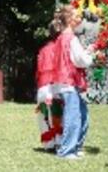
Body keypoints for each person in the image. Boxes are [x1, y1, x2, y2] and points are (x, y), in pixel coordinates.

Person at [50, 5, 94, 159]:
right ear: (69, 20)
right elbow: (80, 61)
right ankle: (67, 150)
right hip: (68, 82)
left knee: (82, 114)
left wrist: (86, 52)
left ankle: (75, 146)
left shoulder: (62, 37)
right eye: (76, 16)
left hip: (64, 82)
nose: (79, 18)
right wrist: (90, 55)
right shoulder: (71, 38)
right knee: (73, 116)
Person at [36, 20, 63, 150]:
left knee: (44, 116)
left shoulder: (43, 50)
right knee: (57, 115)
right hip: (55, 85)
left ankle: (48, 144)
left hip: (42, 86)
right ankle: (59, 142)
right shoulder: (62, 48)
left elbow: (38, 70)